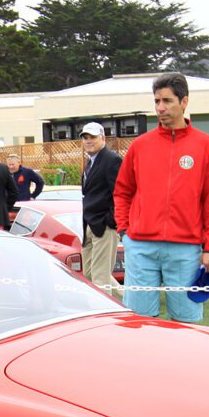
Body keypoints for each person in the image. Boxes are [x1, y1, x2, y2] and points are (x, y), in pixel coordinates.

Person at [113, 74, 209, 322]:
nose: (160, 108)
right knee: (139, 321)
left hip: (186, 248)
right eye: (157, 101)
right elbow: (122, 191)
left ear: (184, 102)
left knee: (186, 320)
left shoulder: (204, 145)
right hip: (141, 246)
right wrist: (125, 231)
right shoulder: (140, 145)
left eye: (167, 101)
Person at [78, 121, 123, 292]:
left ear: (102, 138)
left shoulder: (112, 160)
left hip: (104, 226)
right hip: (89, 225)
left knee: (100, 278)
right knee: (89, 274)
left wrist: (110, 221)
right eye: (85, 137)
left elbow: (120, 194)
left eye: (92, 137)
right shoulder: (90, 162)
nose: (88, 141)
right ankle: (126, 303)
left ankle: (106, 309)